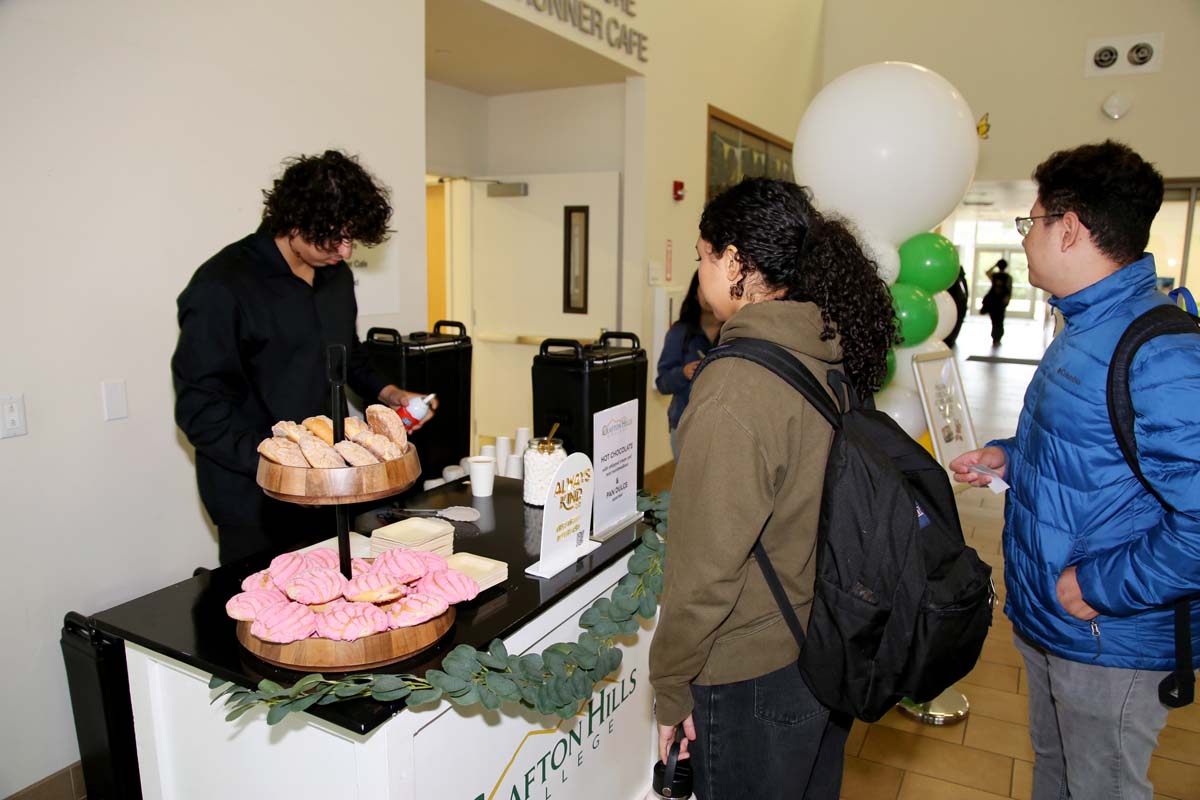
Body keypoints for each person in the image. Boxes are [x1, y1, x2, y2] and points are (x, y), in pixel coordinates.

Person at [949, 140, 1200, 800]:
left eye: (1029, 222)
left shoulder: (1162, 353)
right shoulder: (1088, 327)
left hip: (1109, 634)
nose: (1025, 237)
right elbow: (1093, 450)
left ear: (1068, 229)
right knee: (1058, 774)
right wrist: (1010, 455)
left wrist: (1099, 585)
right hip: (1057, 620)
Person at [649, 178, 896, 799]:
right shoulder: (826, 350)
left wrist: (670, 686)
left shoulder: (735, 386)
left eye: (704, 255)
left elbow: (705, 571)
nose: (701, 273)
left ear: (735, 262)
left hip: (752, 671)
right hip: (823, 644)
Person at [172, 150, 435, 565]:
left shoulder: (335, 276)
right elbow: (201, 411)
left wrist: (389, 393)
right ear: (295, 221)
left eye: (352, 238)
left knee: (336, 587)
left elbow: (346, 354)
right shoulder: (221, 286)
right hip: (253, 493)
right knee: (268, 599)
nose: (346, 251)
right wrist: (287, 463)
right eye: (335, 238)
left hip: (328, 483)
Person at [655, 271, 720, 460]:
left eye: (715, 286)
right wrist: (683, 373)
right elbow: (662, 383)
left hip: (722, 427)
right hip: (684, 424)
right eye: (704, 288)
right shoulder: (680, 332)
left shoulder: (734, 331)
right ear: (695, 293)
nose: (709, 294)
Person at [981, 257, 1013, 346]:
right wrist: (1007, 300)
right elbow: (1009, 290)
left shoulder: (996, 276)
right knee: (999, 320)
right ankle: (997, 337)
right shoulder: (1007, 277)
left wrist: (994, 265)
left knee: (995, 320)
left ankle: (996, 337)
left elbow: (987, 272)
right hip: (998, 301)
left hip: (994, 300)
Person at [943, 264, 969, 347]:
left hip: (959, 304)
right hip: (955, 304)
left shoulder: (959, 279)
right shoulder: (951, 279)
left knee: (956, 324)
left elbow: (964, 292)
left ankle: (951, 339)